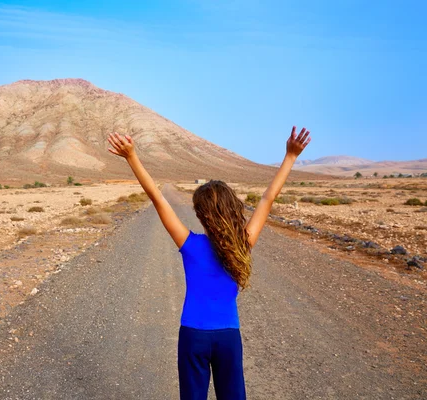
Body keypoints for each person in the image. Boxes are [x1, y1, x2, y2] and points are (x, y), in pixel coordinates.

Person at [107, 127, 311, 400]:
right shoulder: (243, 244)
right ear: (232, 210)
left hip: (193, 336)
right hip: (228, 337)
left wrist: (131, 156)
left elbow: (157, 198)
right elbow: (267, 198)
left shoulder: (189, 244)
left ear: (201, 216)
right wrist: (290, 156)